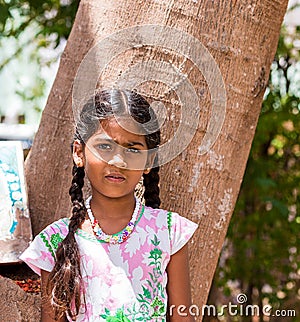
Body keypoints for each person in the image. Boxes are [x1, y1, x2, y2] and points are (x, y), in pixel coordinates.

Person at [20, 89, 198, 322]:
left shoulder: (169, 231)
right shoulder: (56, 240)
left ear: (149, 161)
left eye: (133, 149)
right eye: (105, 147)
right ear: (79, 152)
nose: (118, 160)